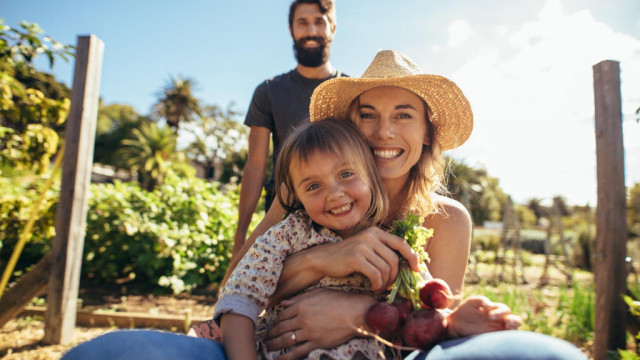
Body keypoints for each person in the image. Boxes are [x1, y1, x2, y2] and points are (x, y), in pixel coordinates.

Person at [61, 50, 587, 360]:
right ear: (346, 126)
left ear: (428, 132)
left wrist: (360, 312)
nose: (384, 131)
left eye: (404, 115)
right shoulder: (299, 204)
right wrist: (316, 262)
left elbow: (432, 328)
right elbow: (241, 289)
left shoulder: (446, 220)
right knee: (104, 354)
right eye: (368, 114)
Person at [217, 118, 423, 359]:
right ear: (296, 195)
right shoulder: (287, 235)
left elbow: (423, 308)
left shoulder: (393, 243)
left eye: (346, 174)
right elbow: (239, 298)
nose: (335, 194)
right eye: (314, 186)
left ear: (371, 176)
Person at [234, 0, 347, 261]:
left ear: (333, 28)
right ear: (290, 30)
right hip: (281, 216)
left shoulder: (350, 92)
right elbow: (255, 164)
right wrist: (240, 236)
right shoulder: (269, 92)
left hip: (340, 215)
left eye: (319, 21)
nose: (311, 31)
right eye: (302, 22)